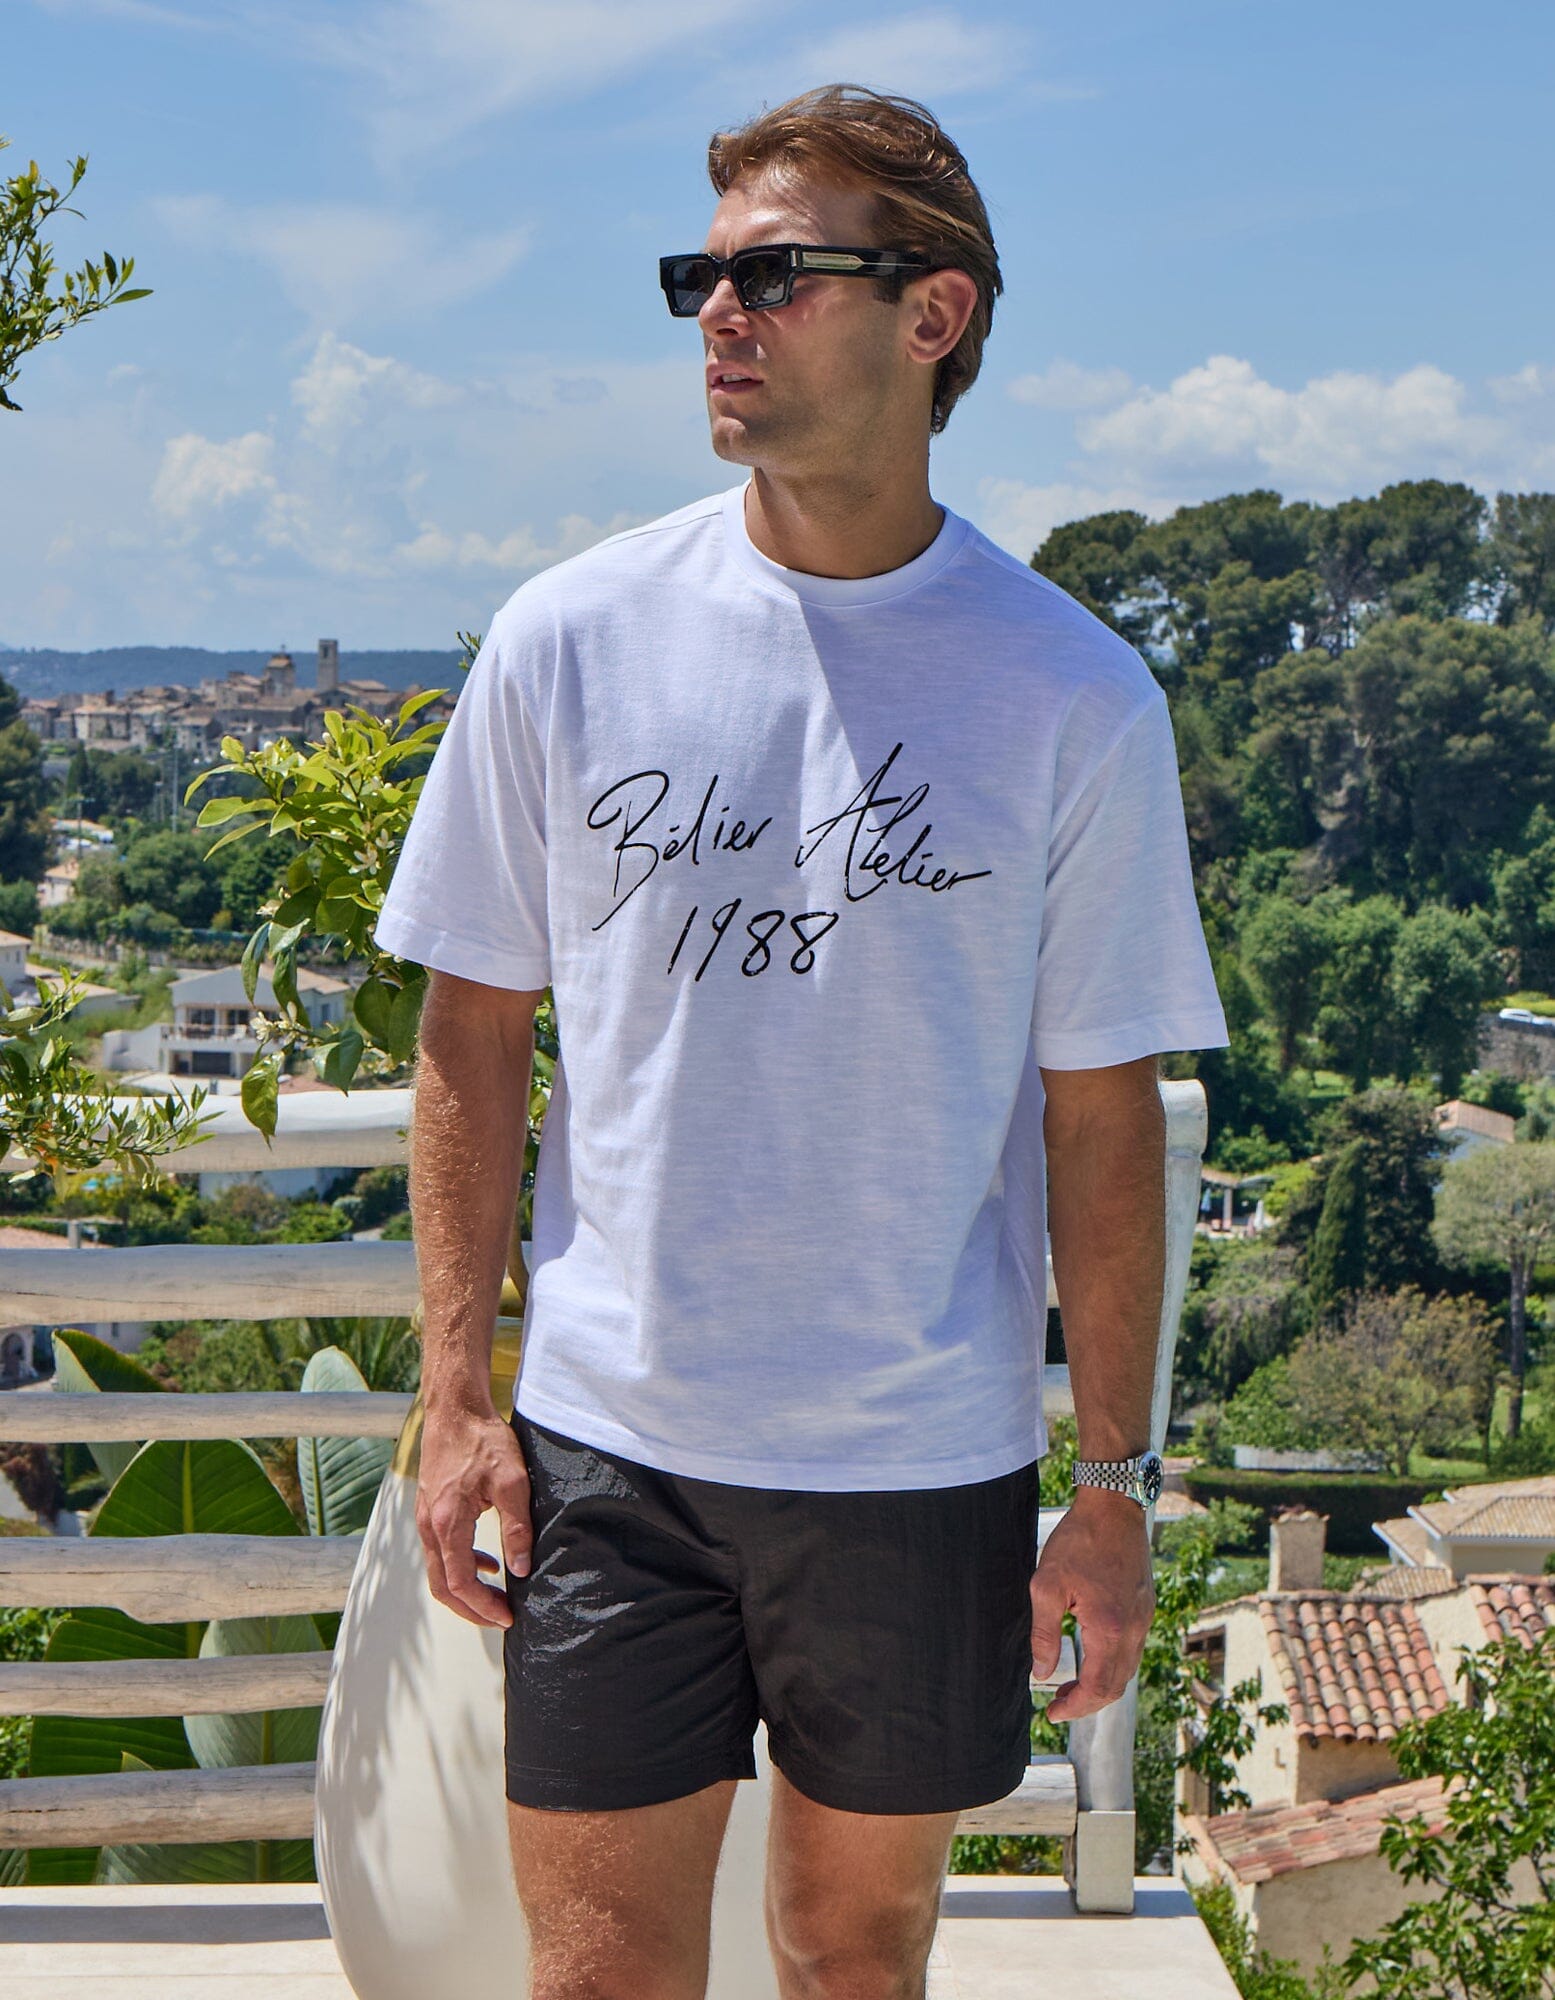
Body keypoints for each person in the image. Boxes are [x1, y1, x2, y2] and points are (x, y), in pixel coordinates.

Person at [372, 81, 1230, 2000]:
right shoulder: (572, 637)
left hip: (915, 1456)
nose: (718, 316)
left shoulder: (1071, 695)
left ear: (936, 314)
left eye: (774, 275)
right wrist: (458, 1397)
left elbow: (1104, 1119)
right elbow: (471, 1027)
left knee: (855, 1954)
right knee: (598, 1972)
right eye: (701, 278)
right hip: (613, 1446)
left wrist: (1112, 1491)